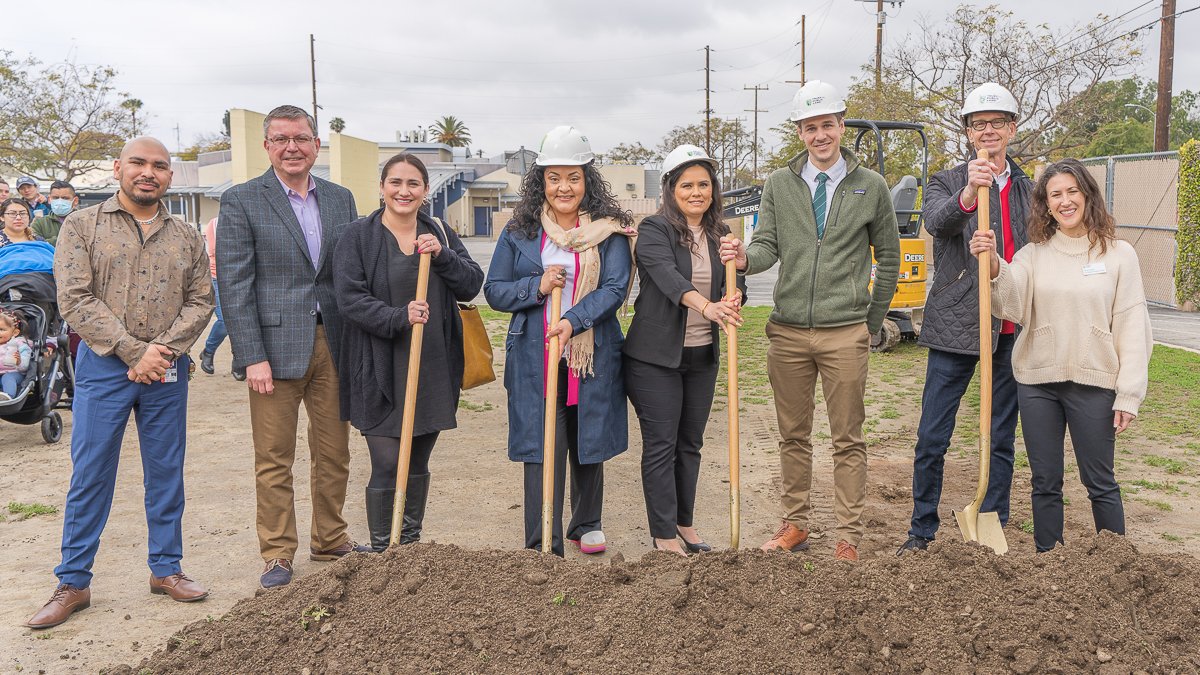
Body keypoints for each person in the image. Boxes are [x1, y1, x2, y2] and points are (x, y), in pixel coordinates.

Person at [27, 136, 214, 630]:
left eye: (159, 165)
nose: (148, 172)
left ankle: (166, 569)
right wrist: (135, 352)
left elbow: (202, 300)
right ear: (117, 168)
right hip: (104, 366)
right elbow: (74, 297)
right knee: (91, 473)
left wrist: (162, 351)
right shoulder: (81, 225)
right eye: (138, 162)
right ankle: (73, 582)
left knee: (166, 471)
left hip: (167, 369)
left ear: (169, 175)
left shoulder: (186, 234)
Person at [719, 81, 900, 561]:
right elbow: (767, 245)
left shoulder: (871, 186)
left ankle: (848, 536)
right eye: (809, 127)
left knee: (848, 439)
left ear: (841, 125)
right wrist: (744, 258)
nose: (819, 135)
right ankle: (795, 524)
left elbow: (889, 256)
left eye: (827, 125)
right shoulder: (780, 184)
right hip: (789, 332)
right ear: (799, 132)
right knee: (793, 436)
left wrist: (871, 321)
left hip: (845, 332)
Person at [218, 104, 367, 589]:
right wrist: (251, 355)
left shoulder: (341, 199)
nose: (291, 147)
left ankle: (331, 538)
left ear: (316, 145)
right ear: (267, 146)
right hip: (273, 350)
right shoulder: (241, 200)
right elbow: (235, 286)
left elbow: (352, 271)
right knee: (274, 457)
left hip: (335, 343)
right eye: (281, 139)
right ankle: (278, 552)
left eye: (300, 138)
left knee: (334, 452)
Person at [970, 159, 1152, 552]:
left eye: (1072, 191)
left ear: (1088, 196)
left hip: (1094, 383)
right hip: (1038, 384)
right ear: (1046, 205)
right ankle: (1048, 560)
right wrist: (995, 264)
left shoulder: (1119, 255)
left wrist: (1128, 394)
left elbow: (1133, 327)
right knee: (1045, 482)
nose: (1065, 201)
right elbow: (1011, 302)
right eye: (1056, 195)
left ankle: (1116, 562)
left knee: (1100, 482)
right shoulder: (1033, 255)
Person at [484, 125, 635, 558]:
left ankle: (586, 523)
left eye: (573, 177)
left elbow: (614, 288)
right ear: (542, 181)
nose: (563, 187)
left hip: (590, 351)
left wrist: (572, 320)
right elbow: (494, 290)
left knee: (589, 436)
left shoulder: (609, 231)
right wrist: (536, 286)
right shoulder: (520, 230)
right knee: (542, 442)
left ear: (587, 180)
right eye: (554, 178)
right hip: (537, 353)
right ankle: (541, 537)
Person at [898, 83, 1032, 555]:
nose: (988, 130)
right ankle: (922, 529)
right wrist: (972, 192)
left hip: (1010, 326)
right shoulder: (947, 180)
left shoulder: (1030, 189)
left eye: (997, 122)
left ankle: (992, 523)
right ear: (969, 133)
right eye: (979, 124)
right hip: (956, 323)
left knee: (1000, 435)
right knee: (932, 435)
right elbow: (936, 222)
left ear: (1011, 129)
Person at [334, 153, 484, 551]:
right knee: (386, 461)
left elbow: (471, 284)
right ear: (382, 187)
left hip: (431, 365)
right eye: (396, 182)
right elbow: (349, 300)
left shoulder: (440, 233)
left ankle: (409, 551)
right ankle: (385, 550)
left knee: (417, 461)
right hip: (378, 366)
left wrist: (443, 256)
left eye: (413, 183)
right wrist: (399, 316)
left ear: (425, 190)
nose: (404, 191)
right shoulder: (357, 236)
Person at [623, 145, 745, 556]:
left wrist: (733, 297)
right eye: (687, 185)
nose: (697, 192)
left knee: (690, 444)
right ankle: (663, 535)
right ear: (671, 189)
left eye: (704, 184)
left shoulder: (721, 233)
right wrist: (707, 306)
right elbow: (668, 278)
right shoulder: (654, 229)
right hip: (654, 359)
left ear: (713, 189)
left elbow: (734, 285)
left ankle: (684, 524)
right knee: (662, 445)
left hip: (701, 356)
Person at [198, 217, 242, 379]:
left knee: (242, 320)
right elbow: (218, 251)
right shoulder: (215, 224)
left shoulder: (245, 220)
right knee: (224, 320)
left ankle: (239, 360)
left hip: (241, 278)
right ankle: (208, 351)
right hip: (218, 277)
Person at [30, 180, 79, 246]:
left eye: (65, 198)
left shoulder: (84, 221)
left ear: (75, 201)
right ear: (49, 199)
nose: (60, 202)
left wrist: (48, 242)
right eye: (56, 198)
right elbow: (36, 245)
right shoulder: (39, 223)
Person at [0, 308, 33, 401]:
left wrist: (19, 362)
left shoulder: (19, 344)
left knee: (8, 378)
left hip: (15, 373)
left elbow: (25, 366)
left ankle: (7, 396)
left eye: (1, 329)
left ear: (15, 332)